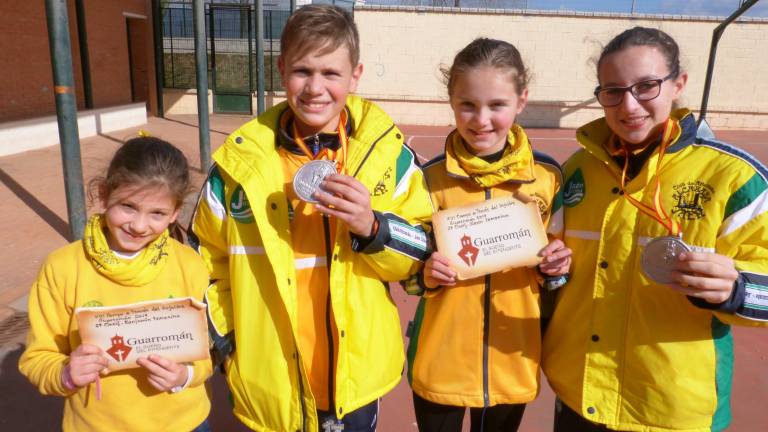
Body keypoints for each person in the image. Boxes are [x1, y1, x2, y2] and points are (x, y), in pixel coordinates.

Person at [188, 5, 433, 432]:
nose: (315, 88)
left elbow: (422, 261)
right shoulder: (236, 169)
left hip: (357, 379)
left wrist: (372, 228)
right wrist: (227, 345)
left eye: (331, 74)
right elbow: (200, 265)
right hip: (269, 381)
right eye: (302, 71)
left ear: (355, 75)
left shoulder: (388, 159)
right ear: (281, 69)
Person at [542, 26, 768, 432]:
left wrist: (737, 290)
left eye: (646, 86)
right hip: (579, 394)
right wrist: (551, 268)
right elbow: (552, 272)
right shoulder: (577, 171)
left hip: (673, 409)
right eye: (612, 90)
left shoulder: (735, 178)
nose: (628, 105)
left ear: (678, 84)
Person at [406, 38, 572, 432]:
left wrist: (556, 268)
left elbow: (559, 275)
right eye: (468, 105)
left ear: (521, 100)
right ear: (452, 101)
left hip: (511, 361)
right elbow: (406, 268)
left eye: (497, 105)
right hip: (440, 361)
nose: (481, 119)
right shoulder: (426, 180)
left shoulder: (548, 178)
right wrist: (424, 275)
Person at [19, 137, 212, 432]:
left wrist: (183, 376)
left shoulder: (191, 264)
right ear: (104, 193)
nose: (138, 225)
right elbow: (37, 358)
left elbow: (205, 353)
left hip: (185, 423)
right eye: (128, 206)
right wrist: (66, 373)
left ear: (175, 213)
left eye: (157, 213)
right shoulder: (62, 267)